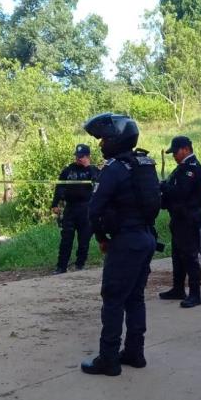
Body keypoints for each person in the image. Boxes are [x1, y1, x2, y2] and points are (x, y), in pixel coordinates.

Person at [80, 113, 161, 376]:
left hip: (126, 242)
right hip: (147, 238)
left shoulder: (114, 169)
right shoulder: (145, 163)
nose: (101, 143)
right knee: (135, 298)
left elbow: (94, 209)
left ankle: (109, 359)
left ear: (115, 138)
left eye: (103, 138)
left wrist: (102, 238)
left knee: (113, 299)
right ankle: (135, 352)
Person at [159, 135, 201, 308]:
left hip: (188, 218)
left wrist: (164, 187)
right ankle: (178, 288)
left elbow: (180, 192)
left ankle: (195, 294)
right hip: (178, 218)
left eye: (176, 152)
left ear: (186, 149)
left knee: (189, 256)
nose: (174, 155)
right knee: (177, 256)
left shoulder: (192, 169)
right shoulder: (181, 168)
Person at [51, 144, 99, 273]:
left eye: (82, 157)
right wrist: (55, 204)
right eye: (77, 156)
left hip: (86, 210)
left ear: (88, 156)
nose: (78, 159)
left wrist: (89, 168)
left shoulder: (93, 170)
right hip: (70, 209)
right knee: (66, 239)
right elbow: (59, 187)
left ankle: (80, 265)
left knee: (84, 240)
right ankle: (61, 267)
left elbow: (99, 186)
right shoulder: (68, 170)